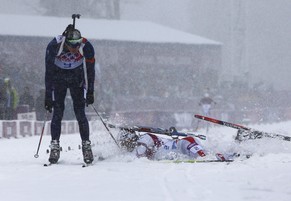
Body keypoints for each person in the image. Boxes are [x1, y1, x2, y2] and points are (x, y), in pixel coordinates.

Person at [45, 23, 95, 164]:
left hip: (76, 76)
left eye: (77, 45)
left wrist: (90, 91)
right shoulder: (54, 45)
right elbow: (48, 72)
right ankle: (55, 145)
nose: (75, 49)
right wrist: (48, 95)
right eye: (72, 46)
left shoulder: (86, 46)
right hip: (58, 76)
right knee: (58, 111)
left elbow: (90, 70)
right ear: (65, 42)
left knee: (80, 112)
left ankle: (86, 145)